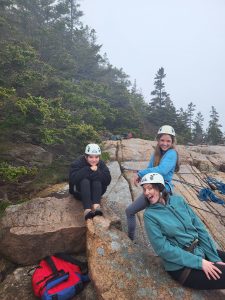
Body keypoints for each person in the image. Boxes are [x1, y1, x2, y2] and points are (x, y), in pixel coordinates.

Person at [142, 172, 225, 290]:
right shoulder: (150, 215)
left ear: (160, 187)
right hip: (181, 266)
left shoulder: (178, 201)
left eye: (150, 188)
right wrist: (200, 262)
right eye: (144, 190)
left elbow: (200, 228)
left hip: (199, 250)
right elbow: (163, 249)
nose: (146, 193)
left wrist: (214, 258)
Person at [126, 125, 179, 240]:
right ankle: (130, 239)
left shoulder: (172, 153)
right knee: (129, 211)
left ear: (172, 142)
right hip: (153, 187)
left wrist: (140, 173)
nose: (165, 143)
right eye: (162, 140)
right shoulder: (156, 153)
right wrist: (143, 177)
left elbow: (162, 171)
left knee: (159, 219)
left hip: (164, 188)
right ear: (158, 140)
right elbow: (150, 168)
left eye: (168, 141)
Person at [69, 143, 111, 220]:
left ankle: (96, 206)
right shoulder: (78, 163)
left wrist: (97, 171)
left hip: (96, 193)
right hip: (80, 192)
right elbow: (73, 179)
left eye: (96, 157)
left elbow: (107, 180)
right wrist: (88, 169)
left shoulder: (101, 164)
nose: (94, 160)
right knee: (85, 180)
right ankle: (87, 210)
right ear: (86, 157)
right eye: (91, 157)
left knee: (97, 179)